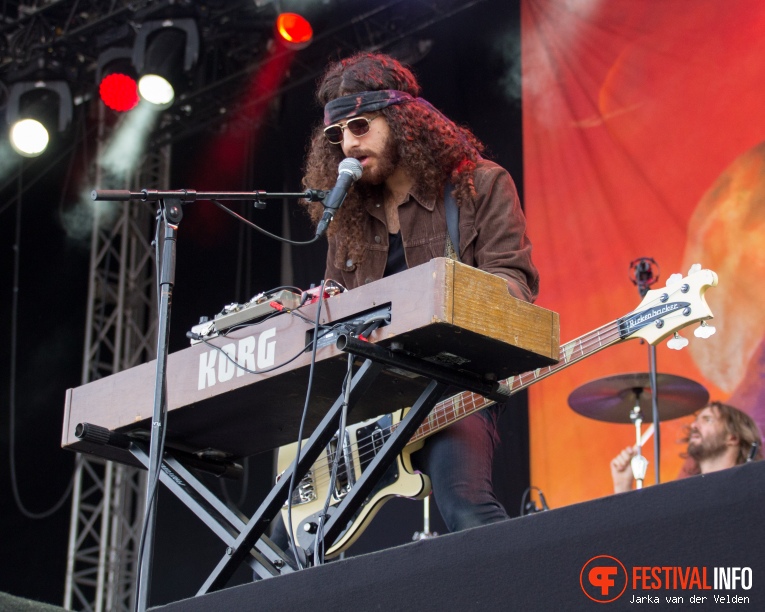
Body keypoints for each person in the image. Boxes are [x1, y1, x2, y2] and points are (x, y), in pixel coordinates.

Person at [299, 52, 539, 533]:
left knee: (466, 508)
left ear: (402, 119)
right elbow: (335, 309)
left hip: (452, 383)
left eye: (360, 126)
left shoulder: (479, 184)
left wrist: (439, 299)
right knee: (295, 539)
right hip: (366, 401)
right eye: (336, 135)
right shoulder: (346, 217)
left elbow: (516, 285)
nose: (347, 144)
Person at [610, 401, 763, 493]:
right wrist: (622, 486)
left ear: (733, 437)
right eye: (696, 420)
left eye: (707, 420)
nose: (694, 425)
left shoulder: (755, 489)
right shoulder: (681, 496)